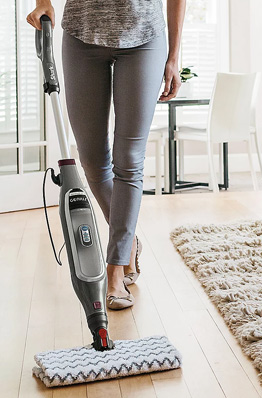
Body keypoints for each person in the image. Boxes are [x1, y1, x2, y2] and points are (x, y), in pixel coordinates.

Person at [27, 0, 186, 309]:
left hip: (144, 35)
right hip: (81, 34)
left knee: (129, 159)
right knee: (91, 160)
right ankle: (128, 243)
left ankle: (115, 273)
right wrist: (42, 2)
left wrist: (174, 57)